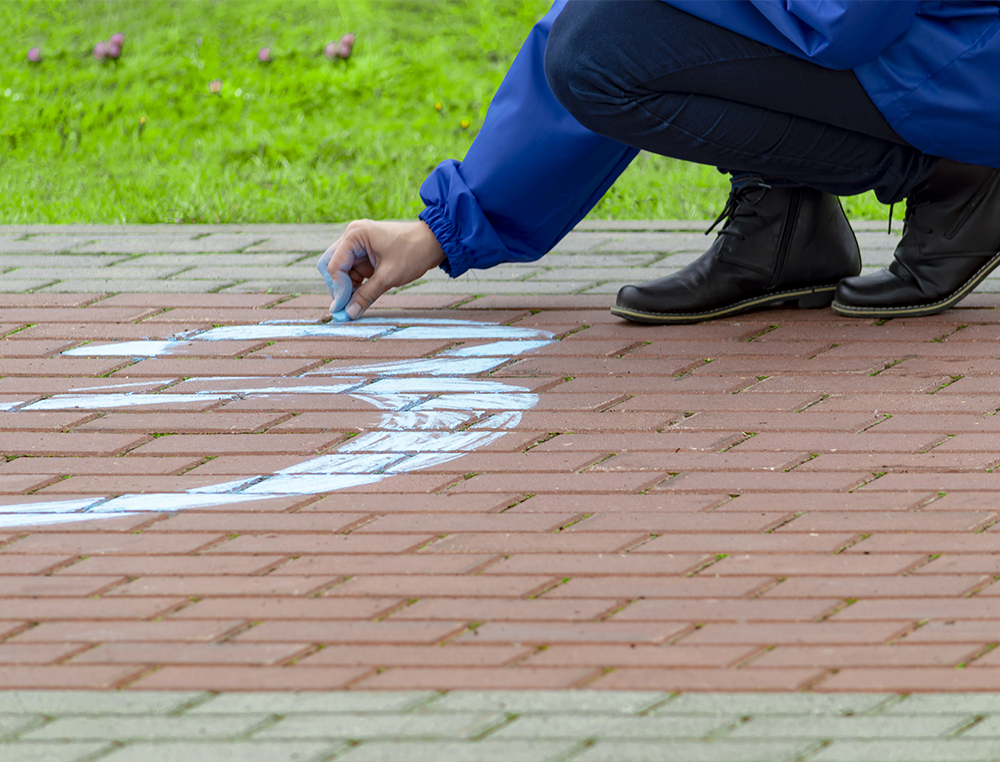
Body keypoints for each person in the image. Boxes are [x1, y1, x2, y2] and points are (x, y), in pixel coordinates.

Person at [322, 0, 1000, 324]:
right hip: (927, 54)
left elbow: (850, 17)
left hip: (970, 64)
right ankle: (785, 220)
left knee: (603, 49)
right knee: (596, 49)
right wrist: (444, 229)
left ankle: (958, 182)